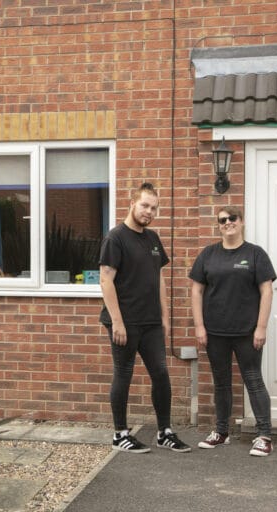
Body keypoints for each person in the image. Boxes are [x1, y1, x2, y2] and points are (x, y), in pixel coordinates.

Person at [99, 182, 190, 454]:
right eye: (145, 206)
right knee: (123, 374)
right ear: (132, 204)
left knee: (161, 374)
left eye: (154, 208)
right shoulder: (115, 238)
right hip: (125, 322)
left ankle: (165, 432)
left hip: (151, 322)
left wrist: (165, 316)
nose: (149, 212)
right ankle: (120, 434)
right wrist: (117, 321)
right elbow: (105, 280)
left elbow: (158, 278)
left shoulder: (152, 239)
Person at [189, 206, 276, 457]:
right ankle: (221, 432)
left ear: (242, 221)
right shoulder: (208, 254)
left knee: (253, 380)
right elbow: (196, 290)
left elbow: (266, 291)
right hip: (215, 332)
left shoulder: (255, 254)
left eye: (232, 218)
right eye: (222, 220)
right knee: (221, 382)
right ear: (218, 225)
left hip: (247, 332)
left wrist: (261, 327)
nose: (228, 223)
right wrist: (199, 326)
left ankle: (264, 436)